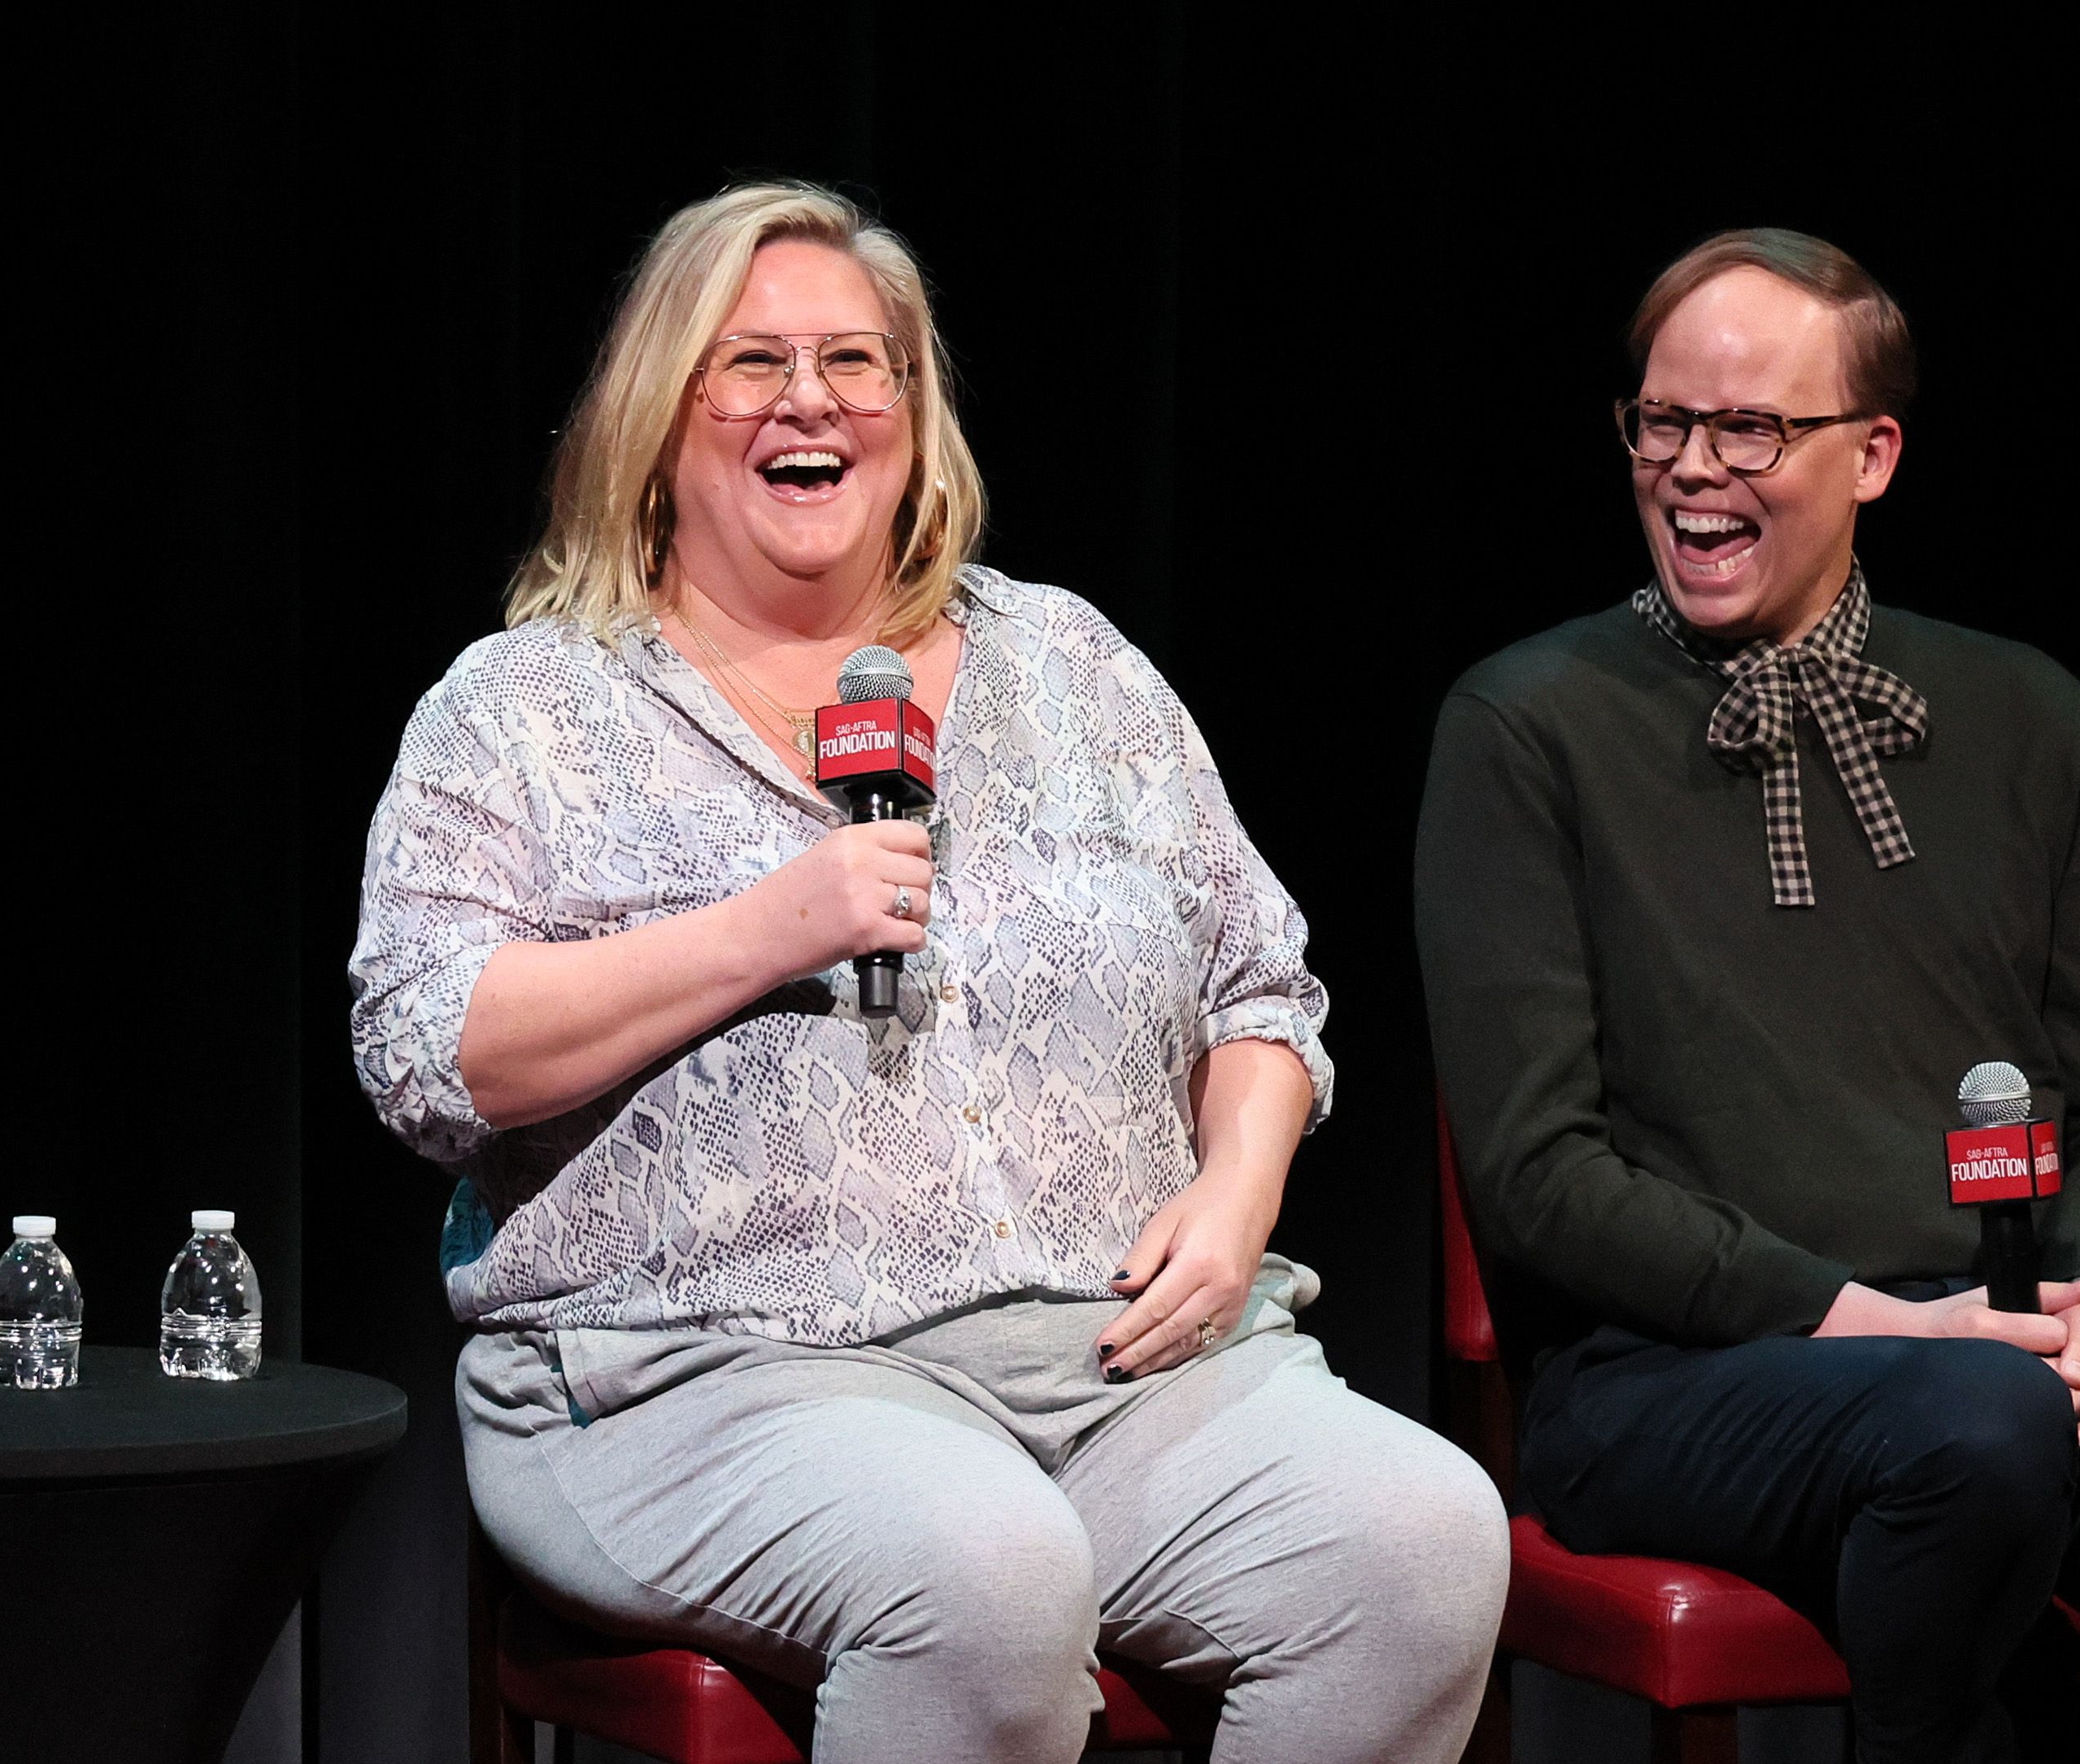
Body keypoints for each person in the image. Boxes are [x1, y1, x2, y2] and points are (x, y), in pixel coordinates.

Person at [352, 180, 1506, 1764]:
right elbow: (426, 1050)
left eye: (855, 361)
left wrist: (1239, 1194)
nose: (811, 399)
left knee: (1419, 1543)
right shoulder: (523, 707)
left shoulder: (1072, 665)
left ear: (911, 414)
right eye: (751, 363)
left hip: (1112, 1359)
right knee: (983, 1572)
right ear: (657, 418)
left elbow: (1258, 985)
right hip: (696, 1369)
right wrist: (765, 926)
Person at [1413, 229, 2080, 1763]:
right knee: (1973, 1427)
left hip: (1989, 1346)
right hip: (1667, 1377)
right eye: (1661, 422)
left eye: (1749, 429)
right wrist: (1873, 1325)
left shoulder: (2024, 714)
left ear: (1870, 456)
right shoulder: (1528, 722)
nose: (1691, 469)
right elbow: (1539, 1178)